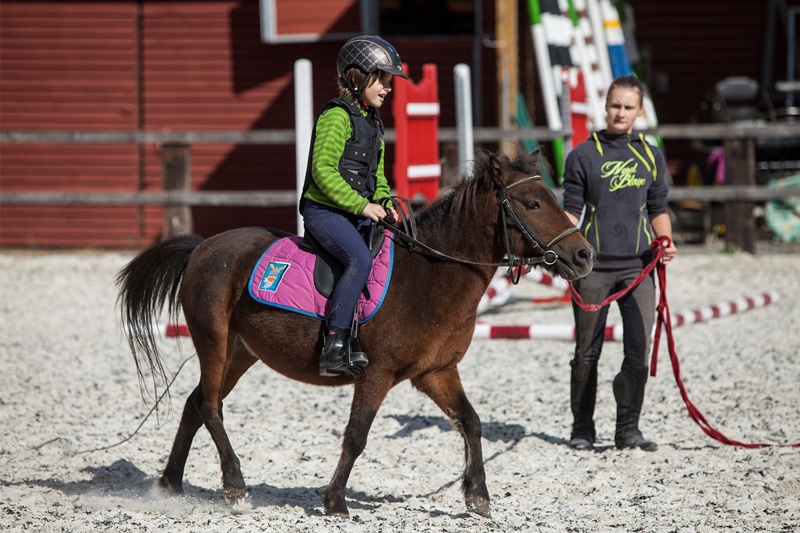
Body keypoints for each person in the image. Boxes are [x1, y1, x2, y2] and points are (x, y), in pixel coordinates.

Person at [562, 75, 678, 451]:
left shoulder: (651, 155)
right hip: (592, 269)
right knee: (586, 352)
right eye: (615, 105)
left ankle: (628, 430)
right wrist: (555, 245)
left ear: (639, 111)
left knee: (638, 350)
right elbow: (571, 211)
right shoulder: (582, 155)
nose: (620, 113)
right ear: (605, 106)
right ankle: (582, 429)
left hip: (639, 267)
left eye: (629, 107)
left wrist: (666, 240)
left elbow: (658, 208)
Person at [300, 35, 404, 378]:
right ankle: (334, 345)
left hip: (355, 211)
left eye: (389, 81)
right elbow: (323, 170)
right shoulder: (336, 116)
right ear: (358, 77)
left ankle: (360, 335)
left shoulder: (373, 123)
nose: (388, 87)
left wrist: (385, 202)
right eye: (382, 79)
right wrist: (362, 206)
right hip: (325, 212)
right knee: (359, 258)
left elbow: (378, 177)